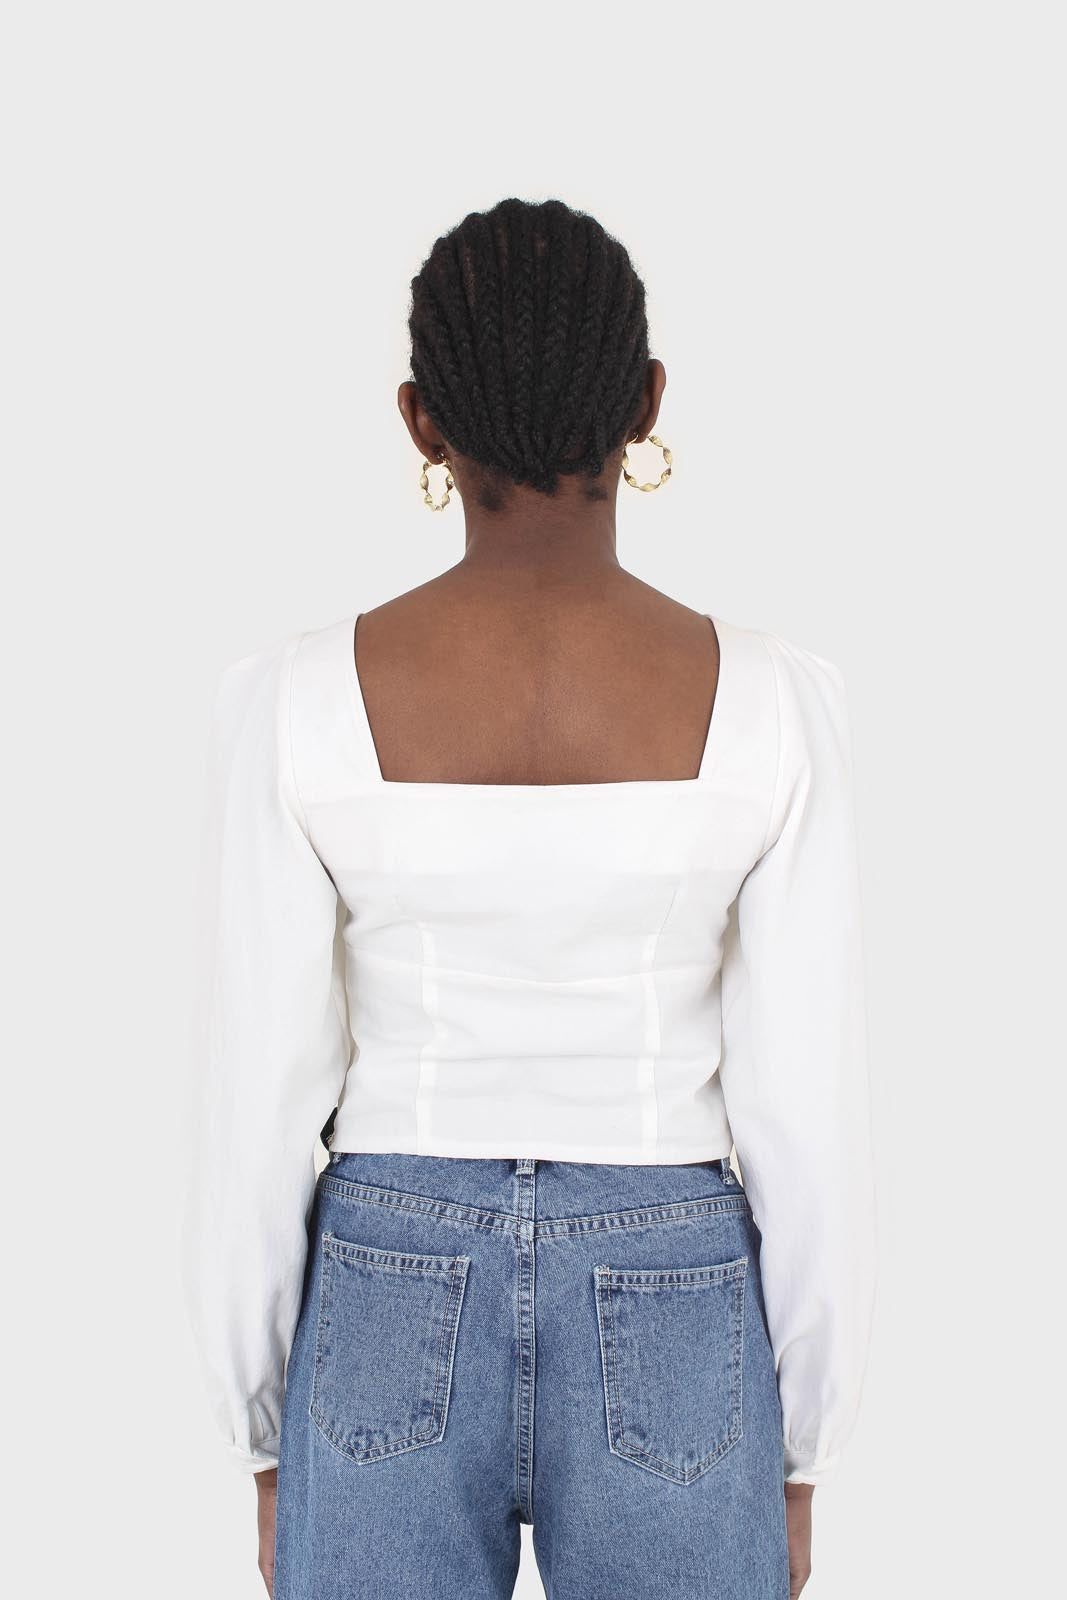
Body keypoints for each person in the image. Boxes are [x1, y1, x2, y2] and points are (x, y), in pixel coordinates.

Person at [182, 196, 876, 1600]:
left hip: (385, 1275)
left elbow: (256, 1091)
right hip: (675, 1282)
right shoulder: (775, 704)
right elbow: (810, 1108)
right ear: (647, 403)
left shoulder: (293, 702)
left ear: (420, 422)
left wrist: (259, 1426)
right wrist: (801, 1447)